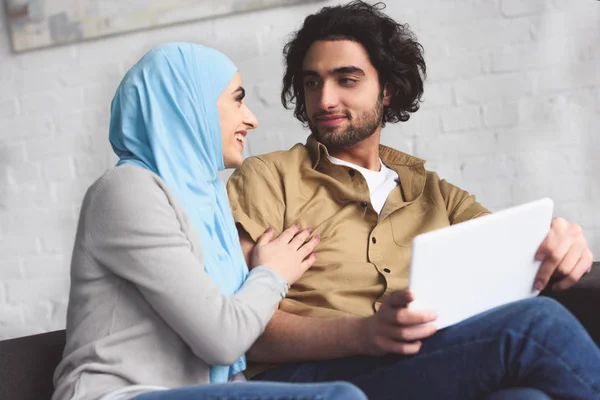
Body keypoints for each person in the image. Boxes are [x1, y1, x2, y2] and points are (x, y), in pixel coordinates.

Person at [226, 2, 600, 399]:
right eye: (313, 82)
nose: (325, 100)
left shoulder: (438, 195)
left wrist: (561, 246)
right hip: (306, 378)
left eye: (346, 80)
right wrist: (365, 333)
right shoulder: (267, 177)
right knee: (534, 327)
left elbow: (519, 257)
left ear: (387, 90)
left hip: (419, 367)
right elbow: (241, 328)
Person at [51, 42, 368, 400]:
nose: (251, 118)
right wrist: (273, 274)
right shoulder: (127, 190)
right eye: (237, 99)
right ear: (188, 104)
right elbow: (223, 339)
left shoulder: (208, 199)